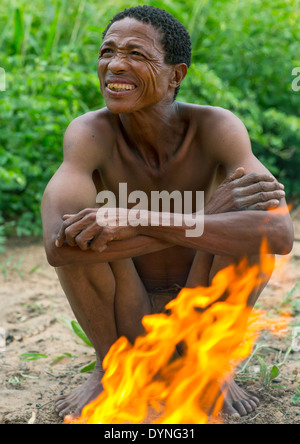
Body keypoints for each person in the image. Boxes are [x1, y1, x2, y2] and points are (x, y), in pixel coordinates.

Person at [41, 5, 294, 420]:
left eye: (136, 55)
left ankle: (210, 369)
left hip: (200, 305)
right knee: (79, 234)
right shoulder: (90, 132)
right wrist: (210, 214)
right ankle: (111, 370)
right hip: (127, 317)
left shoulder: (216, 128)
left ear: (176, 75)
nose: (115, 65)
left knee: (253, 237)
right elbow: (57, 248)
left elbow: (280, 235)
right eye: (107, 52)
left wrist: (138, 219)